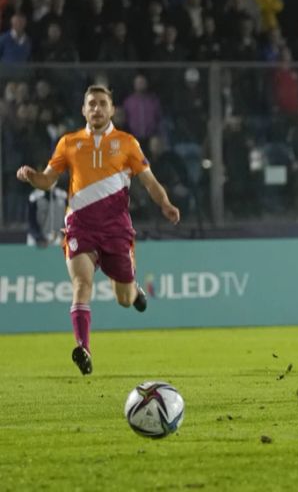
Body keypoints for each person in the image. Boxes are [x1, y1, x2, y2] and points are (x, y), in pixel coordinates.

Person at [16, 84, 181, 376]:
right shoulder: (69, 143)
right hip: (80, 227)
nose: (97, 109)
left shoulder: (127, 143)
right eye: (91, 104)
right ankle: (84, 348)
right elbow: (47, 181)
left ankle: (134, 291)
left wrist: (165, 204)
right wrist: (32, 176)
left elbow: (151, 182)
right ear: (83, 110)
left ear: (111, 109)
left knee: (124, 299)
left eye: (102, 103)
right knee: (82, 284)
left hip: (116, 230)